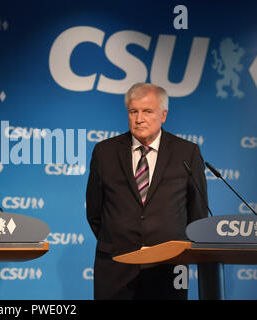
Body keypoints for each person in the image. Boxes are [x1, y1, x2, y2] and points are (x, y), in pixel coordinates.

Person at [86, 82, 208, 300]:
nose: (139, 119)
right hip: (115, 266)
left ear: (163, 115)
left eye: (147, 111)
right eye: (133, 111)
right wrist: (119, 240)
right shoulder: (104, 152)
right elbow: (95, 212)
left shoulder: (187, 153)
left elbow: (197, 213)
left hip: (169, 267)